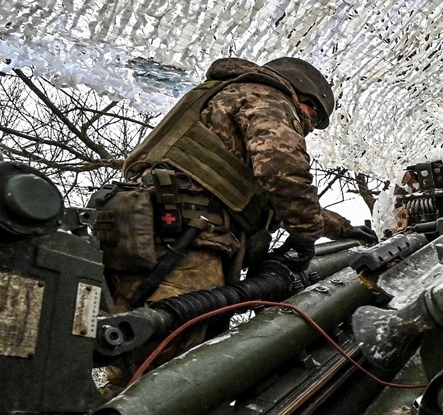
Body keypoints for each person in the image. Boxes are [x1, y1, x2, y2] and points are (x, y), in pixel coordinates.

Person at [92, 56, 375, 383]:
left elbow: (268, 196)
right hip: (185, 239)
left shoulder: (223, 98)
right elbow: (282, 173)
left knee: (130, 353)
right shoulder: (268, 97)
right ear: (303, 97)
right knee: (170, 360)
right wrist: (305, 234)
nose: (308, 126)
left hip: (141, 230)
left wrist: (342, 228)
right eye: (311, 116)